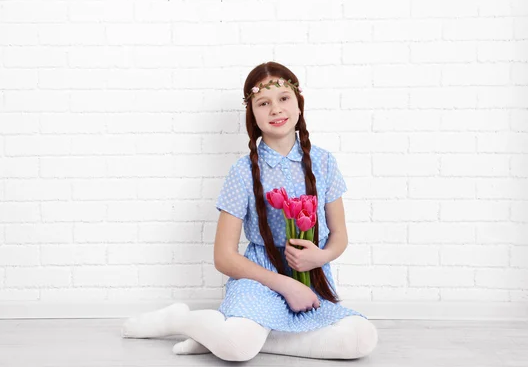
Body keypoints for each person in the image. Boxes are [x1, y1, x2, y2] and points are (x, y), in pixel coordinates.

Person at [121, 62, 378, 361]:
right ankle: (180, 320)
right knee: (238, 349)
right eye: (264, 103)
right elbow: (224, 256)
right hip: (260, 282)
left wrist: (318, 257)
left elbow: (340, 235)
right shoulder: (242, 172)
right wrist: (286, 285)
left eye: (284, 98)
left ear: (298, 104)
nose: (276, 110)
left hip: (312, 282)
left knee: (361, 340)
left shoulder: (324, 162)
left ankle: (215, 333)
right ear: (253, 114)